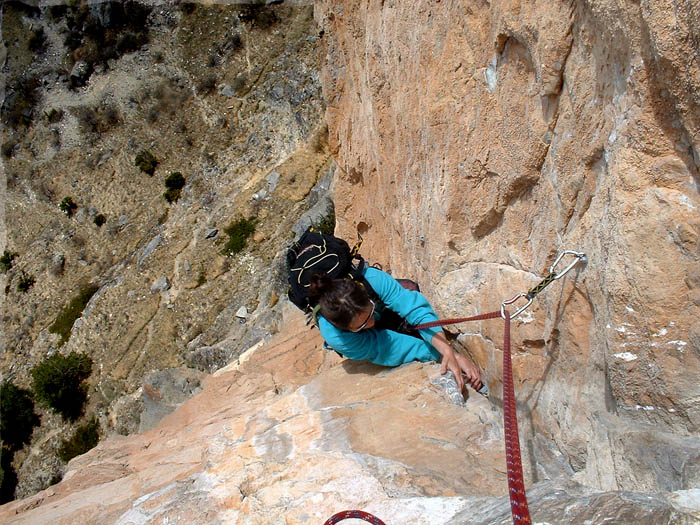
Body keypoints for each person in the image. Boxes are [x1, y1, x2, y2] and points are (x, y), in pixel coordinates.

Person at [309, 266, 483, 395]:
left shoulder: (372, 279)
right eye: (362, 325)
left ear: (366, 296)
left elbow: (414, 309)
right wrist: (439, 355)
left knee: (410, 288)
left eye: (370, 313)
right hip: (365, 337)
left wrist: (447, 350)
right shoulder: (337, 337)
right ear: (345, 328)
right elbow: (387, 348)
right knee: (404, 335)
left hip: (380, 307)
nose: (370, 323)